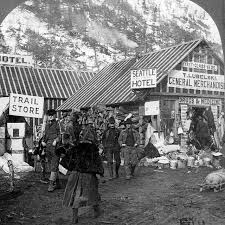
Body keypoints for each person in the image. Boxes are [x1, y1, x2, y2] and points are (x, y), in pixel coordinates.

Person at [62, 126, 104, 224]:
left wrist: (66, 172)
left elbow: (65, 162)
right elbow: (98, 164)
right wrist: (99, 173)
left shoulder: (74, 148)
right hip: (88, 176)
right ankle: (96, 211)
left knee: (74, 197)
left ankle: (74, 217)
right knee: (93, 194)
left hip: (75, 175)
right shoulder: (93, 149)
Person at [42, 109, 61, 192]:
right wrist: (43, 141)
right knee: (52, 165)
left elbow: (61, 135)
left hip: (56, 147)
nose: (51, 117)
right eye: (49, 115)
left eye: (52, 115)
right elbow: (46, 135)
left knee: (54, 165)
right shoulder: (46, 125)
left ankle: (51, 185)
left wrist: (56, 140)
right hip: (48, 148)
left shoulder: (58, 124)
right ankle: (58, 183)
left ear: (55, 115)